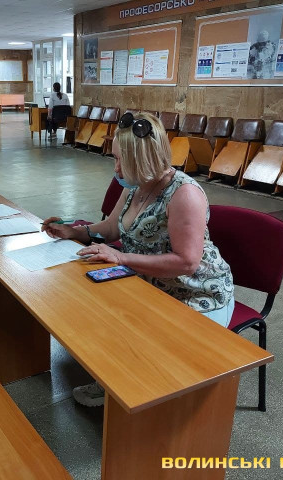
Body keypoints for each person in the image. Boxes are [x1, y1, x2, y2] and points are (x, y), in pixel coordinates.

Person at [42, 112, 234, 407]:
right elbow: (111, 227)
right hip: (149, 281)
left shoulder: (184, 194)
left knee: (151, 354)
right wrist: (76, 232)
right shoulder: (136, 185)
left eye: (122, 160)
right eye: (115, 158)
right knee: (97, 310)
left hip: (195, 292)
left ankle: (130, 390)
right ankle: (113, 378)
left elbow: (187, 263)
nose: (116, 167)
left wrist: (120, 257)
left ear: (144, 160)